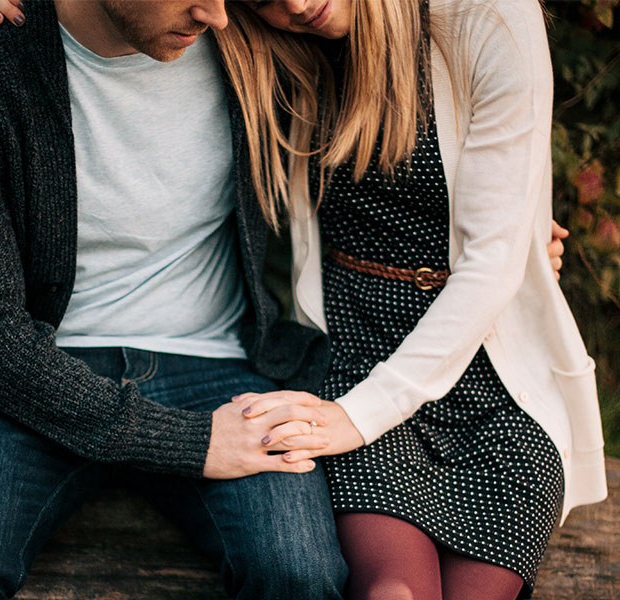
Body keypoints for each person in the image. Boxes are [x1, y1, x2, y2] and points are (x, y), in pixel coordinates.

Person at [0, 1, 350, 598]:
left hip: (220, 369)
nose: (217, 14)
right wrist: (192, 443)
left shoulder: (252, 42)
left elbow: (385, 40)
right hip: (29, 376)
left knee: (300, 574)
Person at [205, 0, 607, 598]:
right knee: (392, 590)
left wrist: (519, 238)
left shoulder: (488, 15)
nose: (292, 4)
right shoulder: (274, 49)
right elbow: (134, 19)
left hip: (495, 372)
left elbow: (492, 263)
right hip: (356, 355)